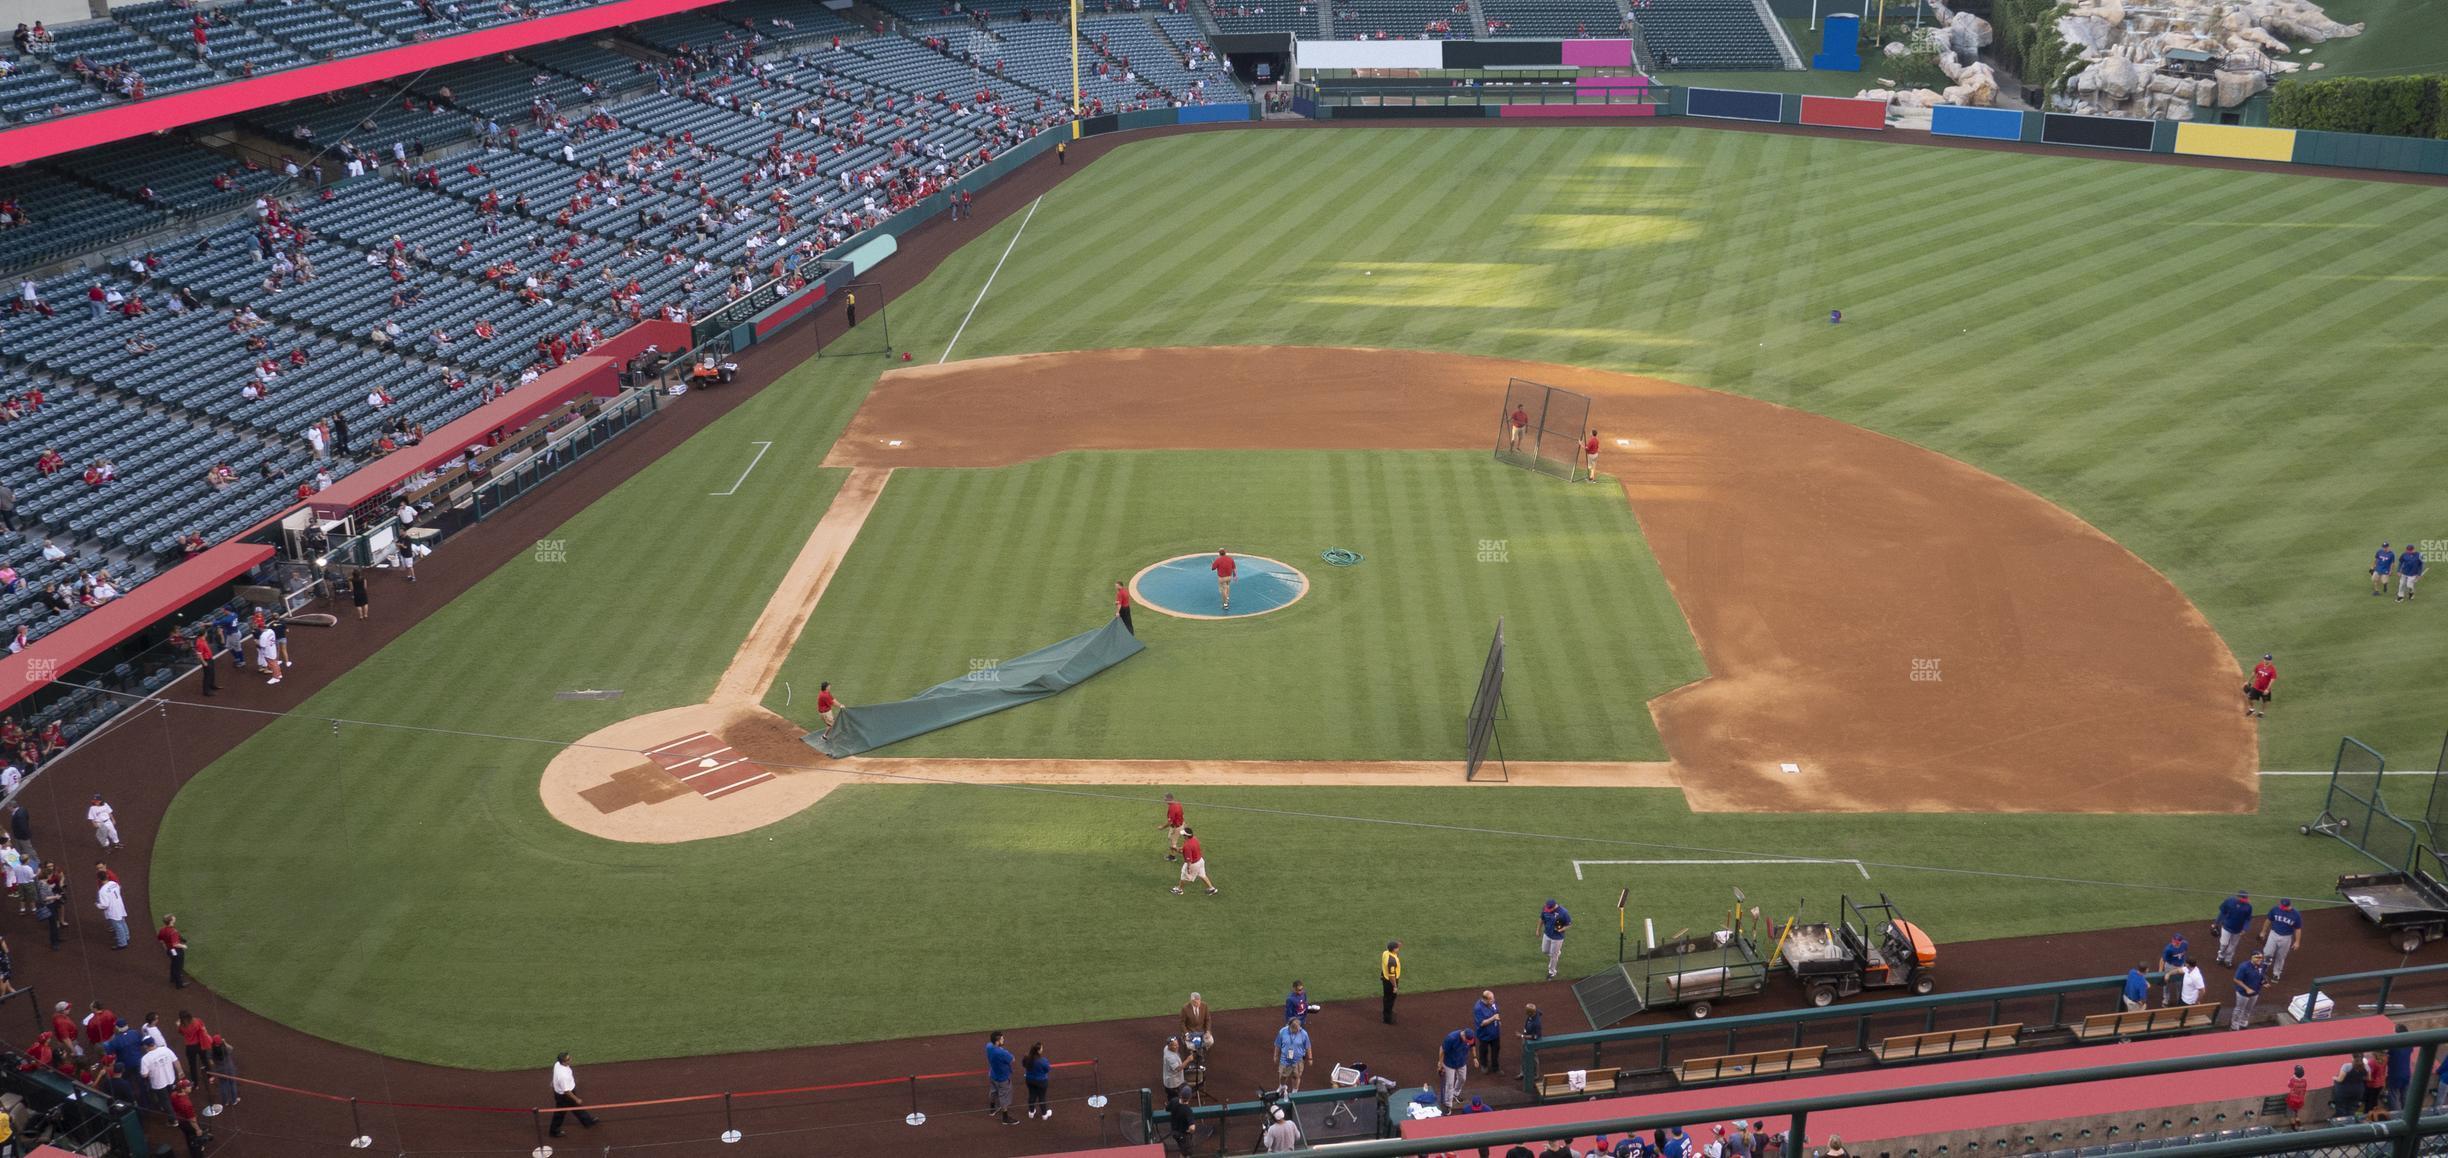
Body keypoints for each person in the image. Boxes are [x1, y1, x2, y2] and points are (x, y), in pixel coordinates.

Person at [549, 1051, 598, 1136]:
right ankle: (553, 1131)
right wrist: (576, 1099)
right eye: (568, 1059)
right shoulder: (563, 1076)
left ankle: (587, 1121)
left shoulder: (557, 1064)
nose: (570, 1059)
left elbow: (555, 1074)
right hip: (565, 1096)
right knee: (561, 1113)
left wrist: (554, 1082)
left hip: (563, 1093)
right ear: (563, 1062)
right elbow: (566, 1091)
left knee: (576, 1109)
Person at [2261, 898, 2304, 981]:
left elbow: (2298, 929)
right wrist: (2263, 932)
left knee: (2280, 956)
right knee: (2268, 952)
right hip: (2273, 934)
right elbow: (2268, 920)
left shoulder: (2296, 915)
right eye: (2282, 906)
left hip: (2286, 938)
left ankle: (2276, 973)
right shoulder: (2275, 909)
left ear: (2289, 905)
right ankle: (2264, 969)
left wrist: (2297, 942)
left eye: (2285, 906)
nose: (2283, 907)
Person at [985, 1031, 1018, 1125]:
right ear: (997, 1041)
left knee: (993, 1092)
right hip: (1002, 1078)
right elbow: (1012, 1059)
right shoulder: (1002, 1053)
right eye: (1002, 1039)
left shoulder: (988, 1046)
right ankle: (1005, 1118)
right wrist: (1003, 1051)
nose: (1004, 1040)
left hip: (993, 1074)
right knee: (1004, 1097)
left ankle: (992, 1110)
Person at [1172, 827, 1215, 895]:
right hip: (1200, 861)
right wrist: (1177, 849)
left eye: (1183, 835)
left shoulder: (1187, 845)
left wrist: (1188, 868)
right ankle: (1211, 888)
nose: (1182, 836)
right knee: (1202, 875)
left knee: (1184, 876)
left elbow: (1189, 859)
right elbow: (1185, 849)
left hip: (1193, 864)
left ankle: (1179, 890)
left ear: (1186, 836)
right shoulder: (1194, 839)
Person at [1438, 1024, 1472, 1110]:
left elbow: (1472, 1044)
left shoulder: (1469, 1038)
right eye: (1466, 1040)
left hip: (1461, 1062)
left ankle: (1455, 1094)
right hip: (1449, 1064)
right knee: (1449, 1084)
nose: (1467, 1042)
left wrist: (1474, 1058)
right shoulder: (1451, 1038)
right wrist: (1440, 1064)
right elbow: (1442, 1049)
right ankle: (1448, 1104)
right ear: (1463, 1035)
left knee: (1462, 1078)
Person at [2215, 890, 2253, 966]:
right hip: (2226, 926)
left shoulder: (2248, 907)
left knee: (2232, 946)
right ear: (2238, 897)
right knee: (2224, 944)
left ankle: (2228, 960)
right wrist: (2216, 923)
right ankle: (2220, 956)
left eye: (2245, 898)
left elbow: (2248, 919)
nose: (2244, 899)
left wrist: (2244, 929)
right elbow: (2222, 912)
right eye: (2243, 898)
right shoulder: (2229, 901)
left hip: (2238, 930)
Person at [2230, 953, 2265, 1031]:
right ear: (2252, 957)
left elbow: (2261, 976)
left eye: (2261, 958)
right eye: (2257, 957)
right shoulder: (2244, 966)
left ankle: (2243, 1023)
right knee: (2239, 1009)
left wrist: (2264, 982)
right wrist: (2247, 989)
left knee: (2249, 1009)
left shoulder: (2261, 966)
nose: (2260, 959)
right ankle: (2234, 1026)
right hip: (2243, 993)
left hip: (2255, 993)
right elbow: (2236, 979)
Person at [1540, 898, 1572, 980]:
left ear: (1554, 906)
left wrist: (1560, 929)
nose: (1548, 910)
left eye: (1549, 909)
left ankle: (1552, 972)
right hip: (1547, 934)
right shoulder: (1545, 908)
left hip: (1557, 938)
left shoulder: (1563, 912)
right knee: (1544, 950)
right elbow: (1542, 918)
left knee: (1554, 956)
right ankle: (1556, 953)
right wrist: (1537, 930)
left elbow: (1569, 924)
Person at [96, 869, 128, 948]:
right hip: (120, 905)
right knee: (123, 922)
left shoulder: (102, 891)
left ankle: (122, 943)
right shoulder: (114, 883)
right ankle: (126, 937)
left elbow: (105, 905)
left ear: (99, 879)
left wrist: (97, 905)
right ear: (107, 876)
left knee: (118, 926)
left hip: (113, 910)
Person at [1473, 990, 1502, 1073]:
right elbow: (1482, 1023)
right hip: (1484, 1035)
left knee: (1495, 1051)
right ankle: (1484, 1065)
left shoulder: (1492, 1003)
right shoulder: (1478, 1008)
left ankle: (1495, 1067)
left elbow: (1496, 1011)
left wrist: (1498, 1020)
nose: (1494, 1000)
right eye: (1491, 999)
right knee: (1484, 1051)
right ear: (1486, 1000)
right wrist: (1493, 1018)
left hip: (1495, 1033)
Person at [1022, 1041, 1052, 1120]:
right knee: (1042, 1097)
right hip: (1041, 1081)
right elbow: (1048, 1069)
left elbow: (1024, 1065)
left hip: (1029, 1080)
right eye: (1041, 1048)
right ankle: (1044, 1115)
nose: (1042, 1049)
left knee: (1032, 1095)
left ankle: (1031, 1112)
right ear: (1038, 1050)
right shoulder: (1043, 1060)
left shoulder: (1026, 1058)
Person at [2158, 932, 2190, 1005]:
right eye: (2174, 941)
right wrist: (2160, 970)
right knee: (2167, 983)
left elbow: (2184, 953)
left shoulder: (2185, 944)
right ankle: (2166, 999)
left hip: (2181, 966)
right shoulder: (2169, 949)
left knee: (2179, 984)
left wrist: (2184, 963)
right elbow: (2162, 960)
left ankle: (2180, 999)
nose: (2174, 943)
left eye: (2176, 942)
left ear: (2180, 941)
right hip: (2170, 966)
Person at [158, 915, 189, 988]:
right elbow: (175, 944)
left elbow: (160, 938)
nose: (174, 918)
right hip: (176, 951)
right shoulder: (173, 931)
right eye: (173, 918)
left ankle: (172, 978)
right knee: (178, 967)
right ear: (171, 921)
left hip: (169, 950)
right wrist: (184, 946)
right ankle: (179, 984)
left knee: (173, 964)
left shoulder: (162, 929)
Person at [1516, 1002, 1543, 1080]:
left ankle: (1535, 1076)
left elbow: (1535, 1036)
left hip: (1533, 1042)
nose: (1525, 1012)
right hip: (1526, 1038)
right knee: (1524, 1056)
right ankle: (1523, 1073)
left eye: (1526, 1011)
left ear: (1530, 1013)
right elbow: (1540, 1012)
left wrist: (1522, 1036)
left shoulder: (1536, 1023)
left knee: (1534, 1058)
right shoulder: (1535, 1012)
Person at [2244, 654, 2276, 718]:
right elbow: (2254, 673)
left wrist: (2267, 689)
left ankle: (2261, 712)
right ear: (2263, 659)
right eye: (2265, 659)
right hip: (2256, 686)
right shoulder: (2259, 665)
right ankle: (2252, 709)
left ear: (2271, 661)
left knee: (2265, 701)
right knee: (2249, 697)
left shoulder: (2272, 669)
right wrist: (2248, 681)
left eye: (2268, 660)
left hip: (2265, 688)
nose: (2266, 661)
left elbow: (2272, 680)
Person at [1381, 939, 1403, 1024]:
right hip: (1390, 981)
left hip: (1384, 977)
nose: (1399, 948)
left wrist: (1397, 944)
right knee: (1390, 999)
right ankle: (1387, 1018)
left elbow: (1383, 966)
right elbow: (1391, 976)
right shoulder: (1392, 961)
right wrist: (1394, 986)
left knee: (1387, 998)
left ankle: (1387, 1013)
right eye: (1397, 947)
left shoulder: (1385, 953)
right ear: (1394, 949)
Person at [1162, 792, 1184, 861]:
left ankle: (1173, 857)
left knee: (1172, 843)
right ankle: (1178, 850)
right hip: (1179, 824)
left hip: (1176, 827)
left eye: (1165, 799)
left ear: (1169, 799)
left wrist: (1162, 827)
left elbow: (1169, 822)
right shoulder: (1178, 803)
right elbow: (1182, 814)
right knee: (1170, 838)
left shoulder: (1172, 808)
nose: (1164, 800)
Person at [2285, 1063, 2307, 1130]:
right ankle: (2300, 1126)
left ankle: (2293, 1128)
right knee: (2296, 1114)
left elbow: (2289, 1085)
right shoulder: (2304, 1081)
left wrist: (2292, 1077)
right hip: (2300, 1101)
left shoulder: (2293, 1081)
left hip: (2292, 1101)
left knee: (2291, 1116)